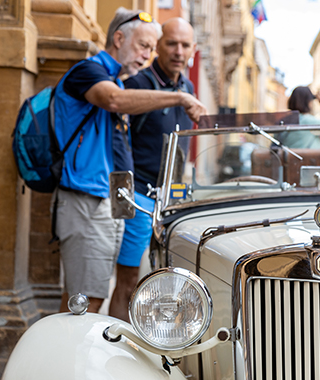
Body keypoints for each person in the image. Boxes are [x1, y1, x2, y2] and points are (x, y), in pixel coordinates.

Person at [53, 7, 206, 314]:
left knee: (92, 296)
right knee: (84, 302)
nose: (147, 55)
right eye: (144, 47)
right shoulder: (90, 71)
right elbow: (114, 101)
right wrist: (178, 97)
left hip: (109, 198)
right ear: (119, 38)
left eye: (151, 48)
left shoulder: (118, 79)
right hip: (89, 197)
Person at [108, 17, 201, 321]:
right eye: (171, 43)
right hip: (140, 197)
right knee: (129, 281)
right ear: (158, 46)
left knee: (166, 283)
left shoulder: (187, 86)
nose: (178, 50)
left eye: (184, 44)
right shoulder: (138, 84)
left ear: (193, 49)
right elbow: (116, 139)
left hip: (172, 202)